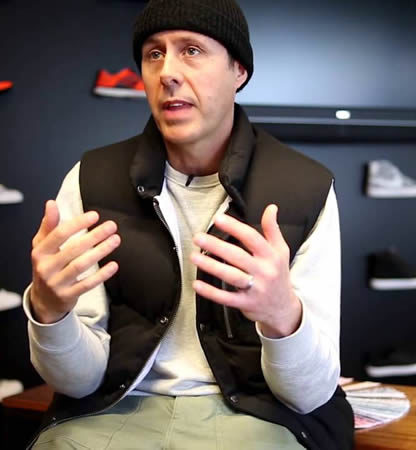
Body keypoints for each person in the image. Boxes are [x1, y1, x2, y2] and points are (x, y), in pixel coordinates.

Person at [24, 0, 354, 448]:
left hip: (257, 419)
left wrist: (283, 315)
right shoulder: (90, 180)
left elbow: (309, 394)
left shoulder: (306, 188)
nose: (168, 73)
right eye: (154, 54)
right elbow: (77, 383)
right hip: (115, 412)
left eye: (192, 50)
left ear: (239, 71)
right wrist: (50, 313)